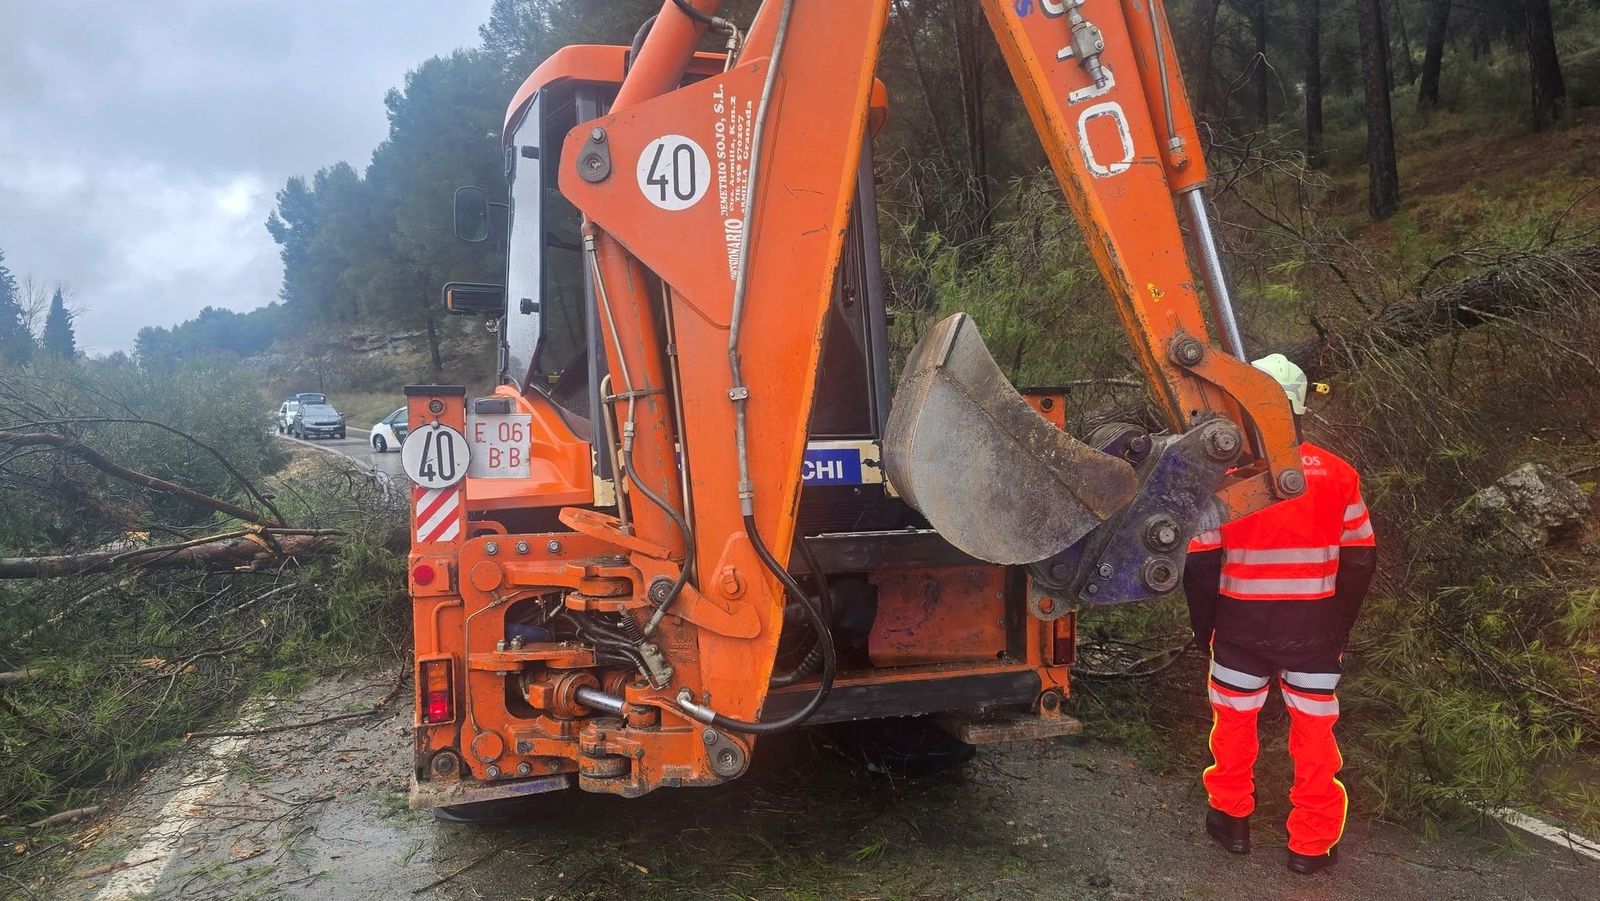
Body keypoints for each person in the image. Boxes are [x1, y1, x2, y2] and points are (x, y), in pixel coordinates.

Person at [1183, 353, 1377, 876]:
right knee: (1314, 733)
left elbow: (1200, 564)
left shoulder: (1228, 478)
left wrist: (1207, 631)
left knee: (1233, 724)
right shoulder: (1338, 474)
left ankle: (1231, 821)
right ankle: (1309, 845)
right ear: (1299, 409)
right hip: (1313, 630)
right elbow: (1361, 557)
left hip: (1241, 628)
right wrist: (1338, 627)